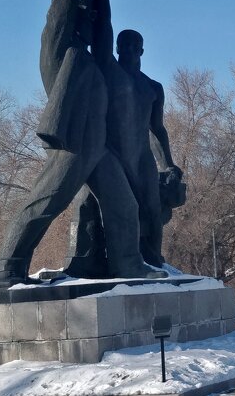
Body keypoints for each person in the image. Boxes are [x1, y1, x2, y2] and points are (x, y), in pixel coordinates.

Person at [0, 0, 161, 287]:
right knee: (45, 201)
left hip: (97, 147)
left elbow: (104, 27)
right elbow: (62, 8)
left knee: (124, 206)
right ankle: (8, 266)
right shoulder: (59, 53)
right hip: (72, 147)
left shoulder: (94, 60)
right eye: (82, 17)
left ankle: (128, 263)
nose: (87, 22)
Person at [66, 29, 182, 273]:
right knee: (115, 208)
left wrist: (168, 164)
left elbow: (157, 130)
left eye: (133, 46)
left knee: (151, 209)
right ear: (117, 48)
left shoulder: (153, 87)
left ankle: (154, 260)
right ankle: (109, 258)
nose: (128, 50)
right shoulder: (108, 74)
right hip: (112, 154)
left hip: (142, 157)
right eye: (123, 45)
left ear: (142, 50)